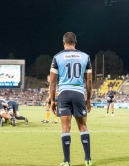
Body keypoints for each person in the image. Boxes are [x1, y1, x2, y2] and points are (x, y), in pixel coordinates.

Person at [49, 32, 92, 166]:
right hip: (79, 93)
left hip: (64, 94)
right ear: (75, 42)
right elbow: (89, 82)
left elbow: (52, 82)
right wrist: (88, 99)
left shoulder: (57, 57)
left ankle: (67, 161)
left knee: (65, 128)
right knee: (83, 126)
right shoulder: (85, 56)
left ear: (63, 42)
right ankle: (88, 160)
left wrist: (52, 100)